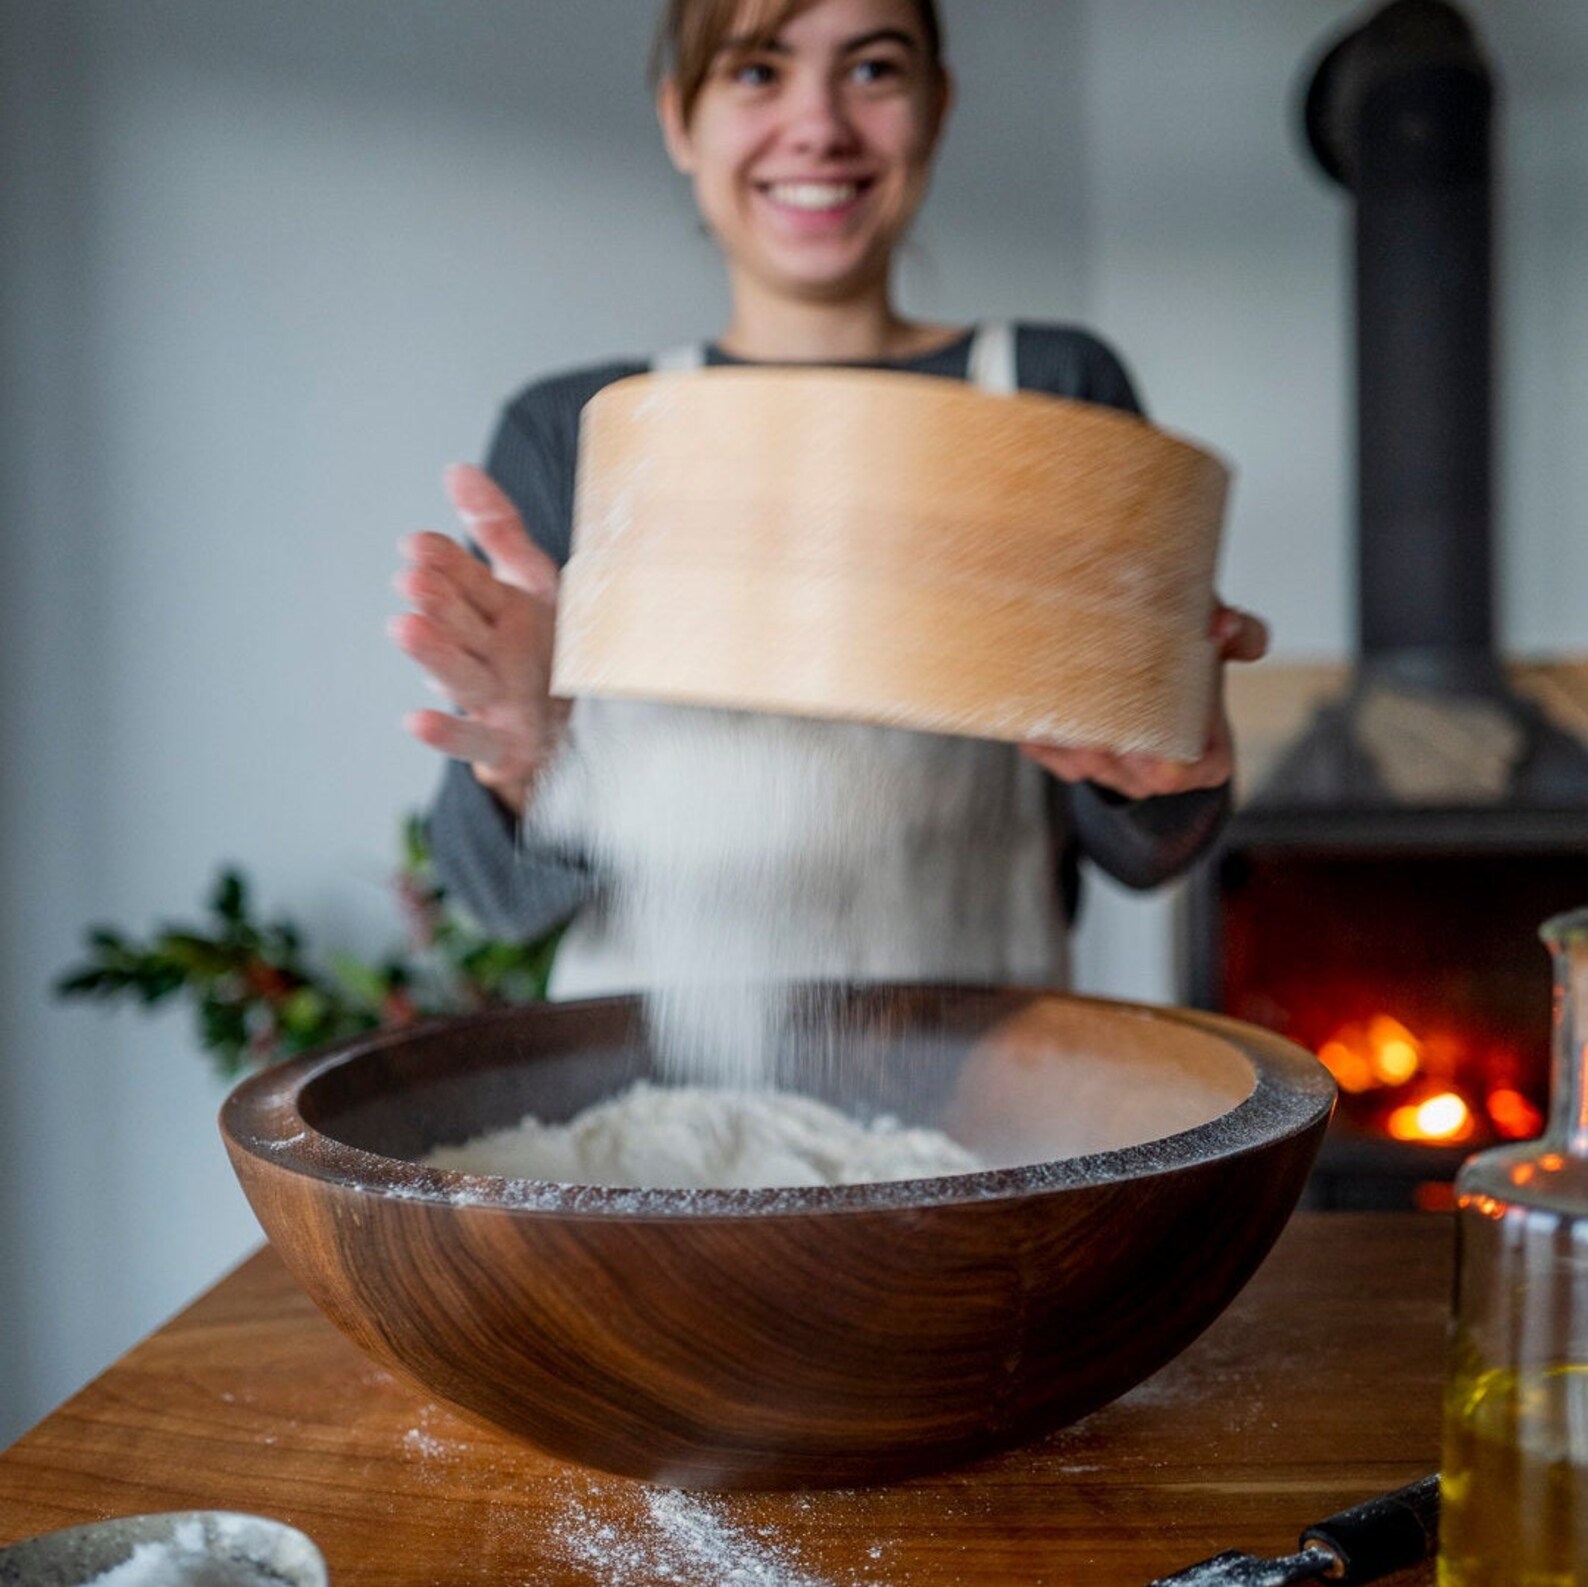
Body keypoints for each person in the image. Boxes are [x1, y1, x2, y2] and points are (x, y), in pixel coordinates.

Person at [388, 0, 1267, 992]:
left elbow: (1144, 854)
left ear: (936, 106)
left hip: (990, 1073)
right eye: (756, 71)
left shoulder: (1053, 391)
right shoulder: (580, 431)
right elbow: (494, 900)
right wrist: (528, 760)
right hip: (651, 1078)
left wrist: (1169, 762)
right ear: (681, 120)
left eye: (873, 69)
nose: (818, 126)